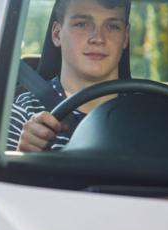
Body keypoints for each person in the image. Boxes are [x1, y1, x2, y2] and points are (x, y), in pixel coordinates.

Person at [7, 0, 131, 152]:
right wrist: (23, 155)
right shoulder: (25, 110)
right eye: (82, 24)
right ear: (57, 34)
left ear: (125, 37)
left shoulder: (147, 111)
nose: (98, 38)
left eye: (112, 26)